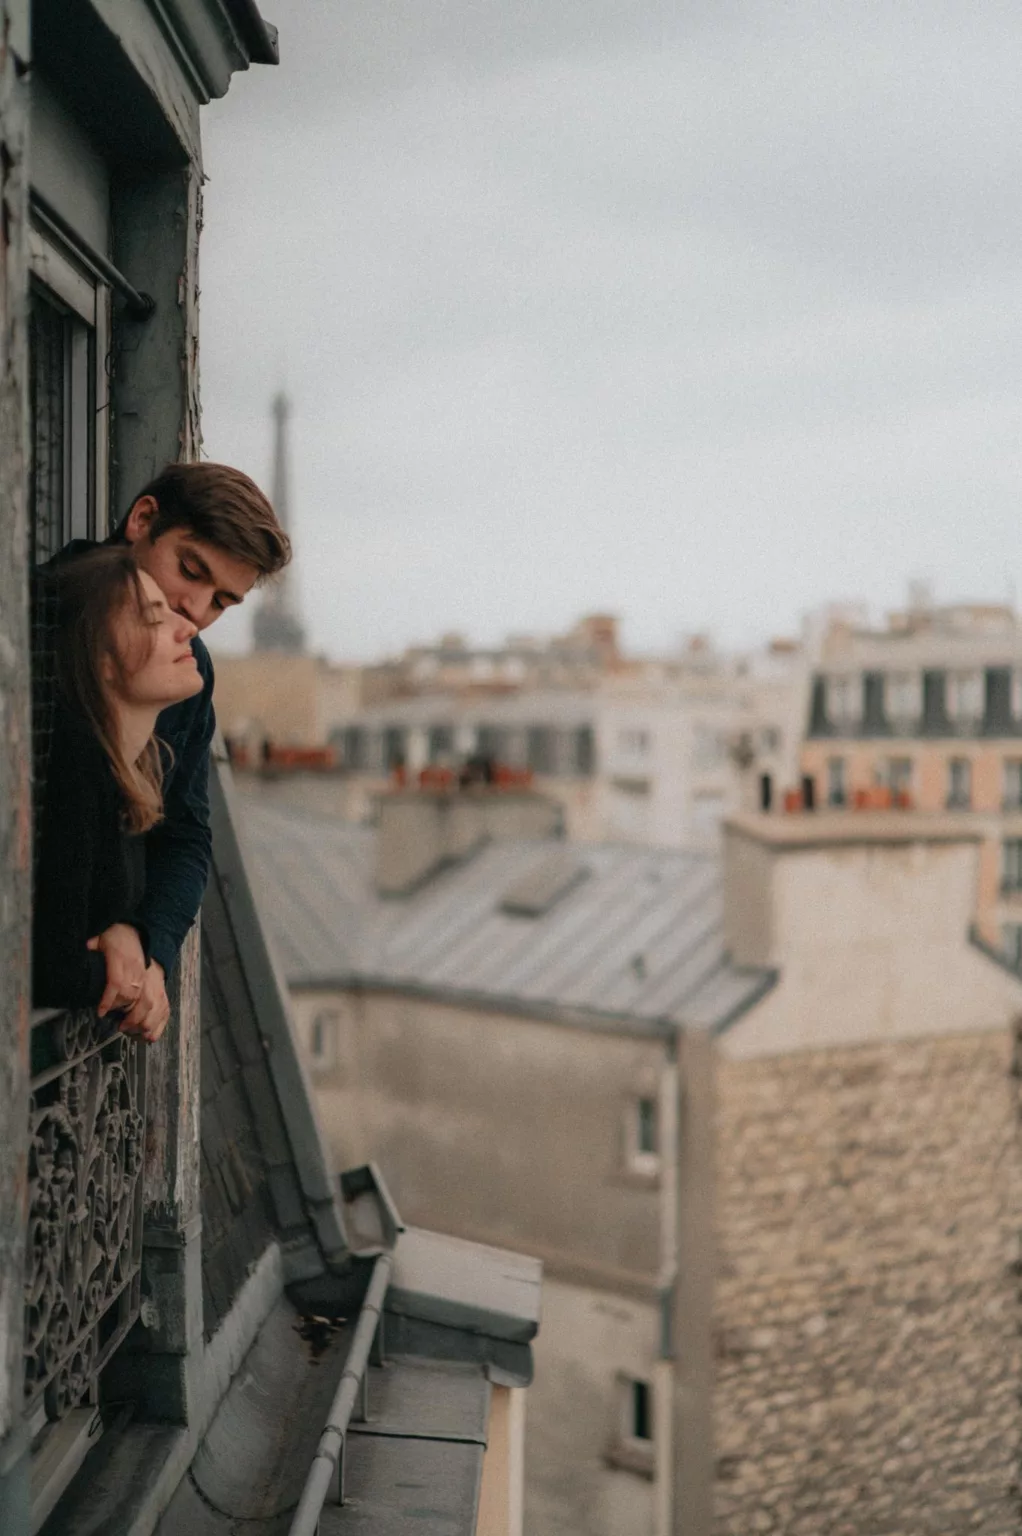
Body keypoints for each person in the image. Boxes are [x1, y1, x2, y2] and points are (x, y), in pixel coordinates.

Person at [50, 462, 291, 1041]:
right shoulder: (38, 617)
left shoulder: (189, 668)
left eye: (222, 602)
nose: (196, 612)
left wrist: (146, 944)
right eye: (191, 570)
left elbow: (185, 833)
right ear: (142, 519)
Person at [32, 548, 205, 1028]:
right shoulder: (77, 762)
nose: (188, 627)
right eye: (154, 619)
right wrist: (129, 982)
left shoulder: (128, 768)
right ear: (102, 659)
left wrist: (132, 938)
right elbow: (50, 969)